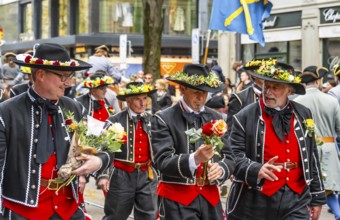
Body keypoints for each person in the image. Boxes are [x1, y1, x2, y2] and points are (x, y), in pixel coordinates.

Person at [0, 43, 112, 219]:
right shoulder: (7, 112)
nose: (68, 83)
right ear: (40, 74)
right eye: (63, 76)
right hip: (22, 210)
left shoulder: (76, 107)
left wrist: (98, 161)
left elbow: (103, 144)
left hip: (69, 208)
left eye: (70, 76)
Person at [226, 60, 326, 220]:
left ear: (289, 90)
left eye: (275, 88)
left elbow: (311, 156)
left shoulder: (303, 114)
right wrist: (255, 169)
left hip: (296, 199)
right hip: (255, 200)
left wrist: (317, 197)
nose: (268, 92)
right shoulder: (244, 116)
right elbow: (232, 155)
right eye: (266, 86)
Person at [152, 64, 235, 220]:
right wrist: (194, 159)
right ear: (182, 89)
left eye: (204, 92)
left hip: (210, 197)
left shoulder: (217, 118)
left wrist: (222, 169)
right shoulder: (163, 118)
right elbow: (161, 162)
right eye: (196, 92)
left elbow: (230, 157)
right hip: (176, 198)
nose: (201, 98)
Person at [98, 82, 158, 220]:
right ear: (128, 100)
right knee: (115, 215)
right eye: (138, 99)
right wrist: (103, 175)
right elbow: (103, 149)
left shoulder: (153, 120)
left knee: (149, 216)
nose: (143, 103)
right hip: (121, 176)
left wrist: (158, 173)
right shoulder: (114, 121)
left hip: (147, 175)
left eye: (145, 98)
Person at [294, 65, 340, 220]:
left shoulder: (297, 101)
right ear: (319, 80)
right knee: (329, 189)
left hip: (305, 149)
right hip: (328, 148)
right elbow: (339, 128)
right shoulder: (331, 101)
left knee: (307, 187)